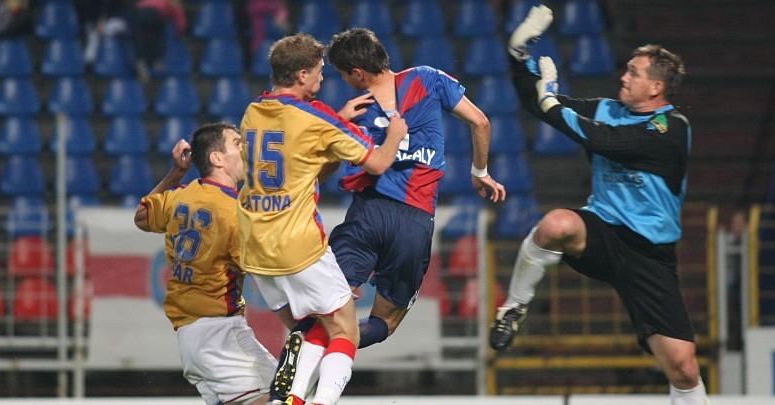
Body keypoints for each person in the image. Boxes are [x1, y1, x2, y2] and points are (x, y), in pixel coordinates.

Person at [271, 27, 506, 402]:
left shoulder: (355, 112)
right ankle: (317, 388)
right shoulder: (427, 78)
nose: (345, 82)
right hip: (413, 222)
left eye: (344, 75)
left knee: (331, 315)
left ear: (357, 73)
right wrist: (480, 173)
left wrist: (341, 124)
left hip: (365, 217)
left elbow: (320, 174)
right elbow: (481, 122)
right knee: (384, 322)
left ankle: (295, 381)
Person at [493, 5, 709, 404]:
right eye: (626, 70)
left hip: (649, 253)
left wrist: (552, 102)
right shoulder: (608, 110)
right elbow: (536, 104)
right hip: (602, 231)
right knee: (555, 224)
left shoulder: (671, 127)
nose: (623, 77)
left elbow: (605, 141)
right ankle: (513, 307)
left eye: (634, 73)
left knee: (683, 367)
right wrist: (518, 58)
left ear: (656, 88)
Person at [236, 33, 408, 405]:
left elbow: (307, 166)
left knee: (309, 330)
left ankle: (290, 399)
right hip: (298, 245)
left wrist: (336, 125)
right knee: (345, 330)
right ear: (302, 74)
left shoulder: (252, 112)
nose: (322, 77)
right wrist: (395, 134)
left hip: (254, 248)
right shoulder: (317, 117)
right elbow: (378, 162)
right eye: (318, 70)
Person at [134, 124, 278, 405]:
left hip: (190, 337)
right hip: (220, 335)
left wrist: (176, 173)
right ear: (217, 158)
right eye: (237, 143)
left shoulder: (181, 195)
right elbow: (263, 269)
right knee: (285, 395)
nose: (245, 149)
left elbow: (141, 216)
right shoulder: (234, 211)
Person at [128, 0, 187, 82]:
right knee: (161, 30)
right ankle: (157, 60)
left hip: (136, 13)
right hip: (152, 14)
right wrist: (180, 33)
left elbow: (140, 5)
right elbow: (181, 24)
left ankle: (141, 61)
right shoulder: (175, 3)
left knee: (140, 35)